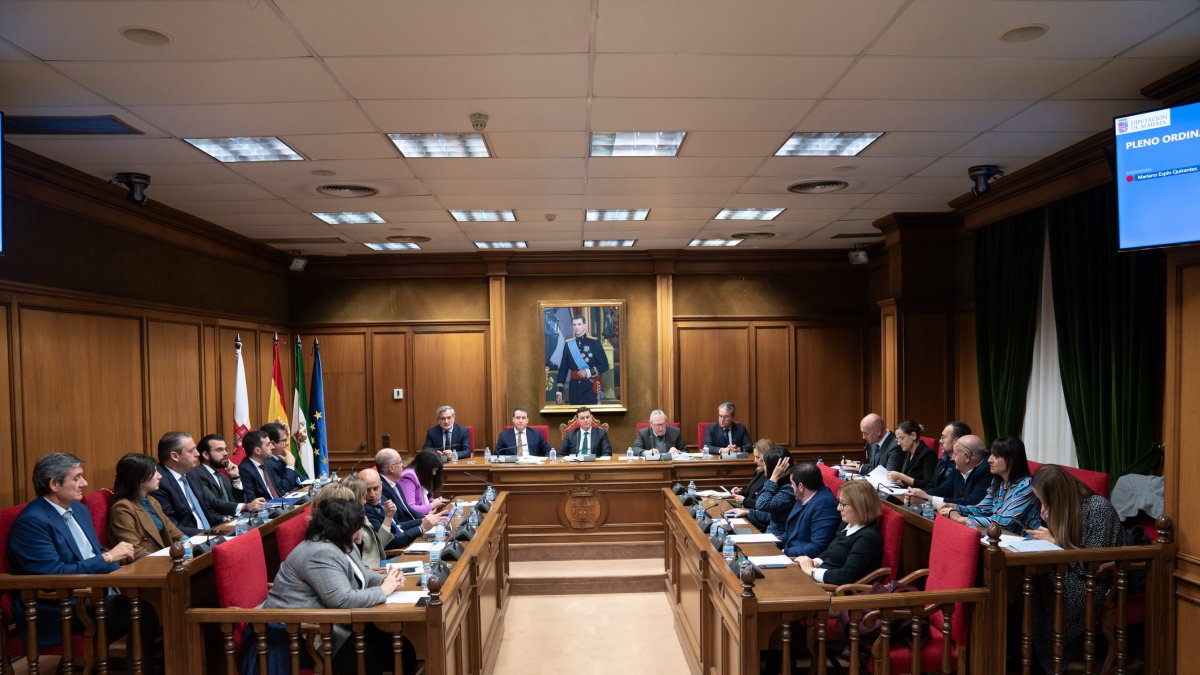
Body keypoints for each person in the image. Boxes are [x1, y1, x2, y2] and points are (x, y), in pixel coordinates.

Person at [8, 453, 153, 673]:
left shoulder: (79, 510)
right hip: (59, 606)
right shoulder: (32, 522)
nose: (84, 483)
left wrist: (121, 567)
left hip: (93, 590)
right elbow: (53, 575)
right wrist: (108, 558)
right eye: (76, 478)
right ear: (54, 484)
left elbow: (91, 553)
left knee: (150, 597)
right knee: (142, 612)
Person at [262, 497, 415, 675]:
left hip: (333, 626)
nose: (360, 532)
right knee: (373, 658)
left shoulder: (342, 544)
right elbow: (342, 600)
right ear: (343, 529)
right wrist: (383, 590)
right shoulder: (320, 552)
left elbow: (363, 575)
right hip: (303, 637)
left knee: (405, 651)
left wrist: (387, 580)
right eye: (356, 527)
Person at [1025, 465, 1123, 674]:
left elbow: (1093, 562)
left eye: (1044, 500)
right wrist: (1050, 523)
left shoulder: (1098, 508)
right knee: (1027, 587)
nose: (1042, 506)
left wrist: (1056, 542)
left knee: (1043, 593)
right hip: (1069, 572)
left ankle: (1048, 665)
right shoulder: (1065, 508)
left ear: (1056, 496)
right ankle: (1034, 660)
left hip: (1092, 582)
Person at [940, 436, 1043, 534]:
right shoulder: (998, 483)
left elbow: (1003, 522)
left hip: (1025, 544)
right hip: (1001, 537)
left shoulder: (1026, 485)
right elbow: (982, 509)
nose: (989, 460)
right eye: (991, 454)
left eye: (996, 456)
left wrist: (961, 519)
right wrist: (956, 507)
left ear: (1011, 460)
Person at [795, 480, 884, 585]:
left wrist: (812, 571)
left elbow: (845, 577)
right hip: (819, 580)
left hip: (834, 591)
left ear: (859, 506)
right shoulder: (847, 524)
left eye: (843, 504)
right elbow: (831, 551)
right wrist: (815, 562)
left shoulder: (868, 538)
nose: (838, 508)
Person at [108, 452, 185, 560]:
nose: (160, 476)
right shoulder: (122, 508)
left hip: (165, 558)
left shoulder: (151, 500)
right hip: (147, 565)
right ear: (139, 478)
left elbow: (172, 530)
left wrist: (186, 541)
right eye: (154, 472)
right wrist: (167, 559)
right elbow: (133, 550)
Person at [149, 431, 217, 535]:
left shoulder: (192, 473)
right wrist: (210, 534)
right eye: (191, 451)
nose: (198, 454)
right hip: (188, 542)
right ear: (175, 456)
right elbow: (172, 526)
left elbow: (206, 509)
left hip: (210, 533)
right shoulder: (158, 483)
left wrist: (225, 521)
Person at [359, 467, 445, 550]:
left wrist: (425, 520)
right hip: (394, 554)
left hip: (404, 545)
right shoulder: (365, 510)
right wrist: (421, 528)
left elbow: (398, 526)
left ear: (381, 485)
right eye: (367, 490)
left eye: (375, 488)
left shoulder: (383, 499)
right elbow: (388, 542)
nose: (372, 494)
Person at [906, 434, 992, 508]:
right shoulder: (959, 466)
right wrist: (918, 494)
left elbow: (971, 503)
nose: (952, 458)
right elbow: (944, 489)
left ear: (967, 457)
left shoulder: (987, 471)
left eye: (955, 453)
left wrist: (928, 498)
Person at [194, 434, 265, 520]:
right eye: (219, 450)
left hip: (234, 520)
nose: (225, 453)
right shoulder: (198, 475)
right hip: (216, 524)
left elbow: (237, 501)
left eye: (225, 449)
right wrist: (245, 506)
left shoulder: (221, 476)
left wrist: (236, 478)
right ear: (206, 455)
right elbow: (213, 502)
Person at [727, 446, 794, 538]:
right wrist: (747, 512)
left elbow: (761, 504)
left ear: (774, 469)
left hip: (778, 539)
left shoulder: (789, 489)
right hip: (770, 534)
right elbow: (770, 515)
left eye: (765, 465)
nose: (764, 468)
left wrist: (773, 478)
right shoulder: (778, 484)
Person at [780, 461, 840, 558]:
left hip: (803, 560)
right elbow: (791, 532)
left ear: (800, 487)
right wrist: (773, 542)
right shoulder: (803, 496)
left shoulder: (825, 505)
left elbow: (818, 547)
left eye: (792, 483)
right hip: (791, 552)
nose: (791, 487)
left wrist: (784, 552)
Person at [334, 476, 392, 570]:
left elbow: (379, 544)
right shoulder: (346, 524)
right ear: (354, 498)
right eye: (363, 497)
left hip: (378, 564)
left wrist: (388, 517)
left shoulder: (361, 514)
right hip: (371, 570)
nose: (365, 501)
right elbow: (352, 562)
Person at [554, 314, 610, 405]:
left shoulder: (594, 343)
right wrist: (559, 391)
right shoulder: (568, 345)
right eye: (574, 325)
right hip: (574, 389)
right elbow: (563, 369)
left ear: (585, 325)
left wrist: (588, 372)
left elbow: (604, 365)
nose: (577, 327)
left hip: (590, 388)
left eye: (579, 324)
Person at [886, 420, 938, 488]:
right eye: (897, 439)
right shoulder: (907, 452)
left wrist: (901, 476)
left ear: (913, 435)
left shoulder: (928, 455)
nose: (898, 443)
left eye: (901, 438)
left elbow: (928, 484)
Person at [400, 449, 450, 516]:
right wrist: (433, 505)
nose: (434, 473)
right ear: (425, 467)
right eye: (434, 470)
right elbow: (410, 509)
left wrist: (434, 501)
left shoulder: (420, 474)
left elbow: (425, 499)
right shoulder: (408, 477)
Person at [239, 430, 285, 502]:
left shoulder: (267, 463)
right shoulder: (245, 469)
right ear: (257, 451)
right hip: (266, 509)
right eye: (268, 444)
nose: (272, 447)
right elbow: (251, 500)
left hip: (280, 503)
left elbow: (279, 488)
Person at [730, 439, 774, 508]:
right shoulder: (759, 471)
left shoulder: (773, 477)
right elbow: (752, 495)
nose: (755, 461)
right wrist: (740, 493)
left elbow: (765, 504)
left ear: (766, 457)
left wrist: (744, 501)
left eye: (758, 457)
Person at [261, 422, 302, 492]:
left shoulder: (281, 458)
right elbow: (283, 490)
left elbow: (303, 480)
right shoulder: (267, 463)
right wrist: (290, 466)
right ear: (272, 444)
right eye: (284, 440)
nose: (287, 444)